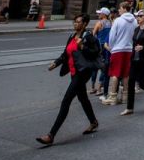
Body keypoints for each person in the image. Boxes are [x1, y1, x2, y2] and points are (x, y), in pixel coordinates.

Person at [35, 15, 100, 146]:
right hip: (73, 72)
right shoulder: (72, 36)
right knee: (83, 98)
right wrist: (56, 63)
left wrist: (82, 46)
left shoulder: (88, 37)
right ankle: (93, 122)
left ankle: (51, 135)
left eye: (78, 22)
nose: (75, 24)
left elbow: (95, 52)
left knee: (66, 101)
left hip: (82, 73)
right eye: (74, 22)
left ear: (85, 23)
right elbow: (65, 54)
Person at [120, 10, 144, 116]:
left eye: (140, 16)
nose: (138, 18)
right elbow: (134, 43)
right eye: (137, 16)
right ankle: (129, 108)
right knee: (131, 82)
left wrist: (143, 47)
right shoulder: (136, 29)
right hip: (134, 59)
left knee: (142, 83)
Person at [102, 1, 136, 105]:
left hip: (118, 49)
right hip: (129, 49)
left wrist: (112, 47)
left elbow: (112, 36)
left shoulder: (118, 20)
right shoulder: (135, 21)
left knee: (115, 73)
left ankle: (113, 96)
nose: (119, 10)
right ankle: (125, 95)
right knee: (126, 73)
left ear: (124, 9)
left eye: (120, 8)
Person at [90, 8, 112, 95]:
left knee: (95, 67)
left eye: (100, 13)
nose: (98, 15)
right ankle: (99, 88)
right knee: (104, 67)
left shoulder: (99, 23)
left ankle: (93, 88)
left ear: (104, 14)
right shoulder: (111, 23)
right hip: (107, 47)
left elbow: (92, 35)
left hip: (98, 47)